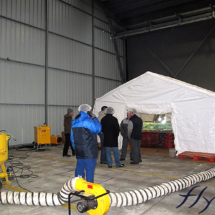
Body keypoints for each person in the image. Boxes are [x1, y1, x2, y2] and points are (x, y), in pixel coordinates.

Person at [70, 104, 101, 183]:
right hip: (89, 150)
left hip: (79, 150)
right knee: (89, 170)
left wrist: (76, 147)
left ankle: (78, 187)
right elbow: (98, 129)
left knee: (79, 168)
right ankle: (89, 190)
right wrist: (95, 119)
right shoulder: (88, 121)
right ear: (88, 111)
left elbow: (72, 137)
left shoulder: (74, 122)